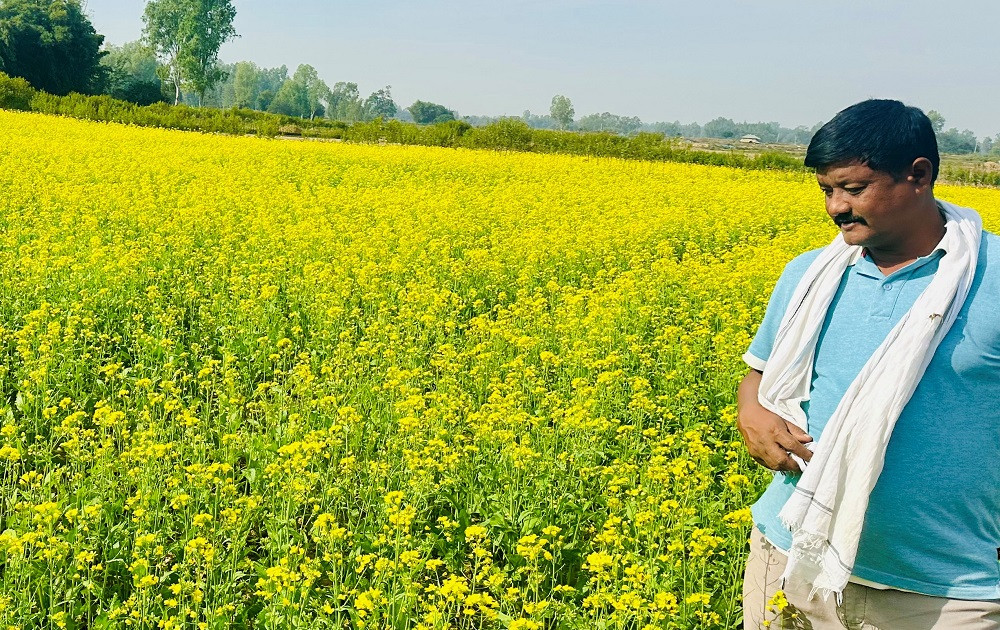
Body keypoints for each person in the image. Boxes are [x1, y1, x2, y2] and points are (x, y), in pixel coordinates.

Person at [737, 99, 1000, 630]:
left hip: (944, 591)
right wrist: (752, 414)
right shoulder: (809, 274)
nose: (835, 207)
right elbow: (760, 374)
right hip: (790, 553)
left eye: (853, 188)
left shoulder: (991, 280)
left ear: (918, 175)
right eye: (826, 191)